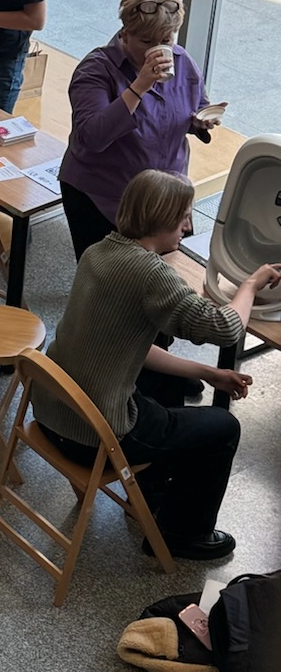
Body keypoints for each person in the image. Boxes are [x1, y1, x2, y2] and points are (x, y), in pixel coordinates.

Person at [34, 169, 281, 563]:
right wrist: (250, 285)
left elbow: (131, 346)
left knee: (165, 402)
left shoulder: (99, 251)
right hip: (92, 436)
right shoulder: (151, 273)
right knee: (222, 427)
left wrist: (206, 372)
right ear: (160, 217)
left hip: (52, 414)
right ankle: (183, 535)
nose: (188, 224)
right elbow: (226, 327)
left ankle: (153, 494)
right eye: (183, 215)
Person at [60, 0, 220, 259]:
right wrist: (140, 85)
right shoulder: (96, 69)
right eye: (146, 41)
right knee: (110, 284)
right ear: (125, 33)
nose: (158, 49)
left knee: (172, 274)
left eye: (166, 40)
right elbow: (92, 137)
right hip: (105, 196)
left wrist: (200, 121)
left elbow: (195, 105)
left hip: (166, 195)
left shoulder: (182, 61)